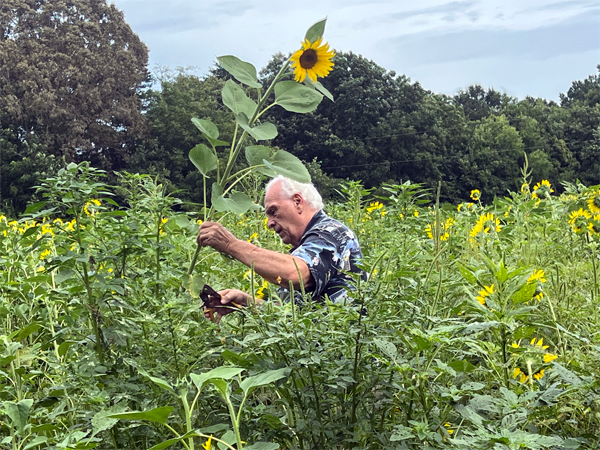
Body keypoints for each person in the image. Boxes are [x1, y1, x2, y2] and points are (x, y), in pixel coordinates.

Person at [197, 175, 363, 320]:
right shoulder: (305, 248)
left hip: (337, 354)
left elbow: (295, 274)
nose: (269, 223)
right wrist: (245, 302)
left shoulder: (332, 233)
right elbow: (288, 313)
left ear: (298, 202)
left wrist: (229, 244)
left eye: (273, 211)